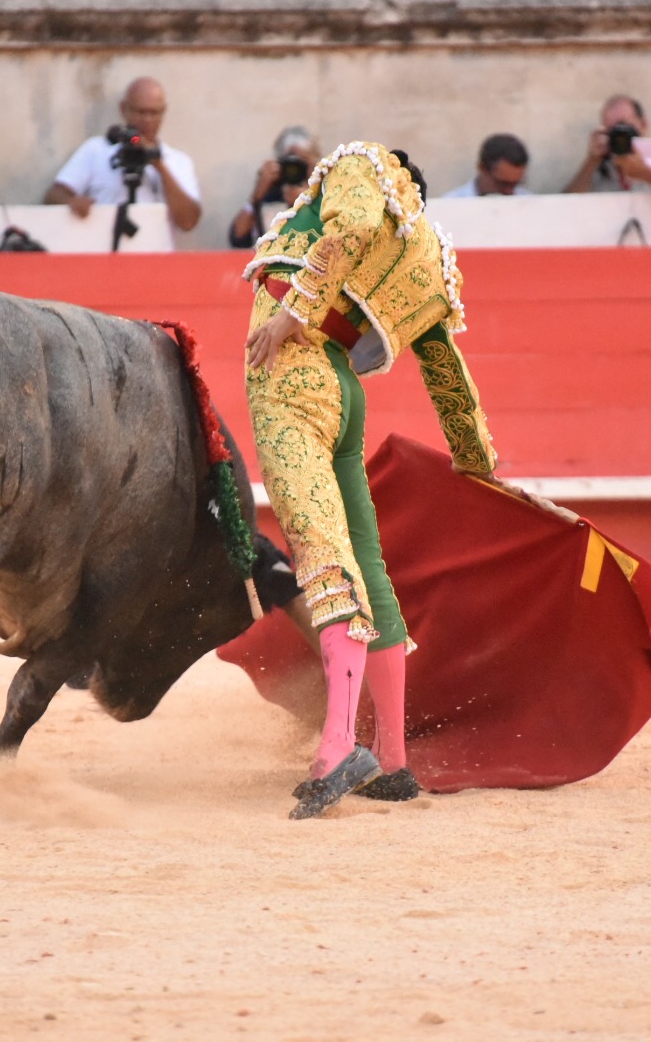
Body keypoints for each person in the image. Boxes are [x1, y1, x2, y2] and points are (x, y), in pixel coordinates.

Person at [242, 141, 498, 820]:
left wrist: (295, 311)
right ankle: (391, 758)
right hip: (346, 390)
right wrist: (478, 464)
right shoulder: (424, 256)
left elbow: (350, 225)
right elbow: (449, 378)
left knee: (324, 555)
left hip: (296, 373)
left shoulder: (360, 164)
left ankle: (337, 748)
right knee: (367, 564)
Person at [45, 77, 202, 234]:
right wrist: (72, 202)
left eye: (154, 113)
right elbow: (53, 196)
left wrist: (159, 165)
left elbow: (188, 222)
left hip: (155, 256)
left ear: (163, 112)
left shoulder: (178, 161)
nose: (147, 120)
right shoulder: (96, 150)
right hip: (104, 253)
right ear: (123, 109)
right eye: (140, 112)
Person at [228, 126, 321, 249]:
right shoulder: (273, 192)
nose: (295, 168)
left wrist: (307, 204)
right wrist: (257, 195)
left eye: (302, 161)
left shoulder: (326, 191)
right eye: (290, 160)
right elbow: (238, 238)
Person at [442, 133, 533, 198]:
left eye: (515, 184)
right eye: (503, 183)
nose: (509, 191)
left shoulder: (529, 203)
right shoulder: (451, 204)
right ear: (482, 168)